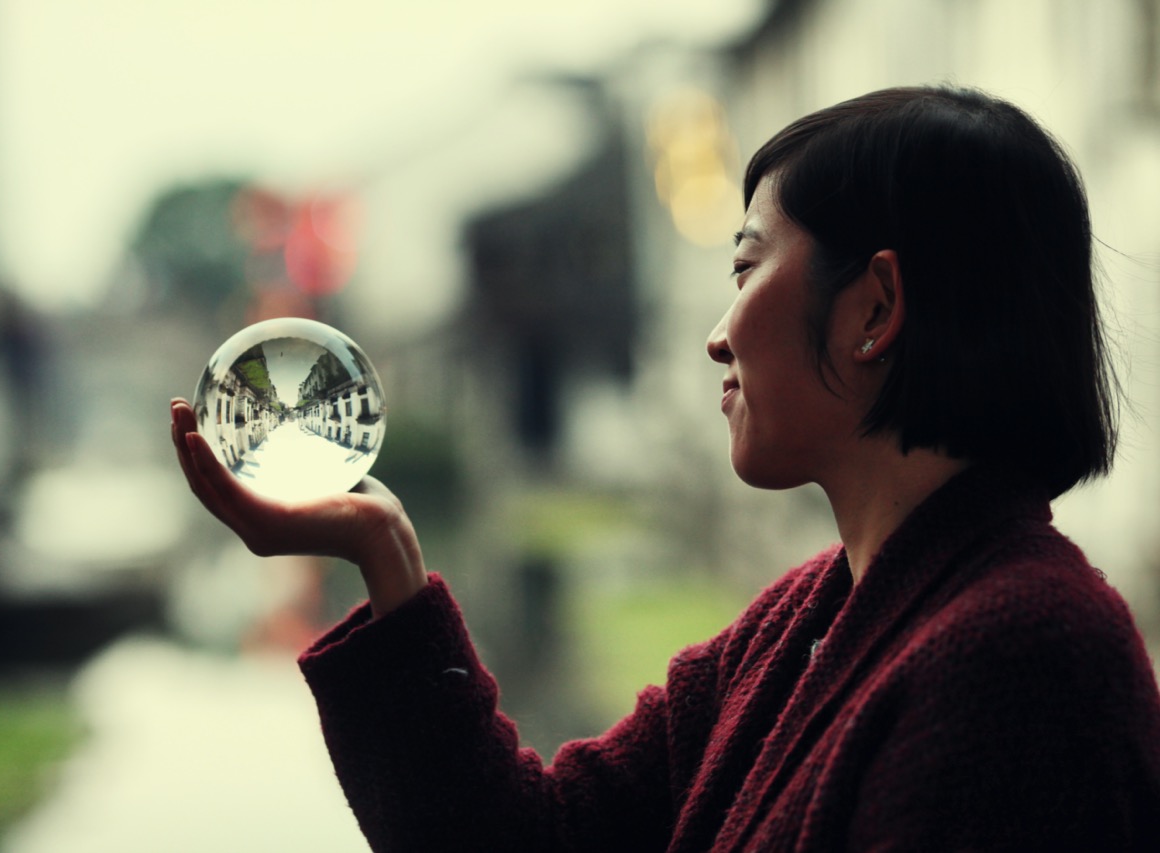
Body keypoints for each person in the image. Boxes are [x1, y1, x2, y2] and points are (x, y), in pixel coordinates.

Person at [169, 85, 1160, 851]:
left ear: (872, 308)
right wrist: (383, 552)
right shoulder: (800, 623)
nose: (716, 337)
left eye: (744, 268)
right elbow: (525, 841)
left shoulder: (1024, 658)